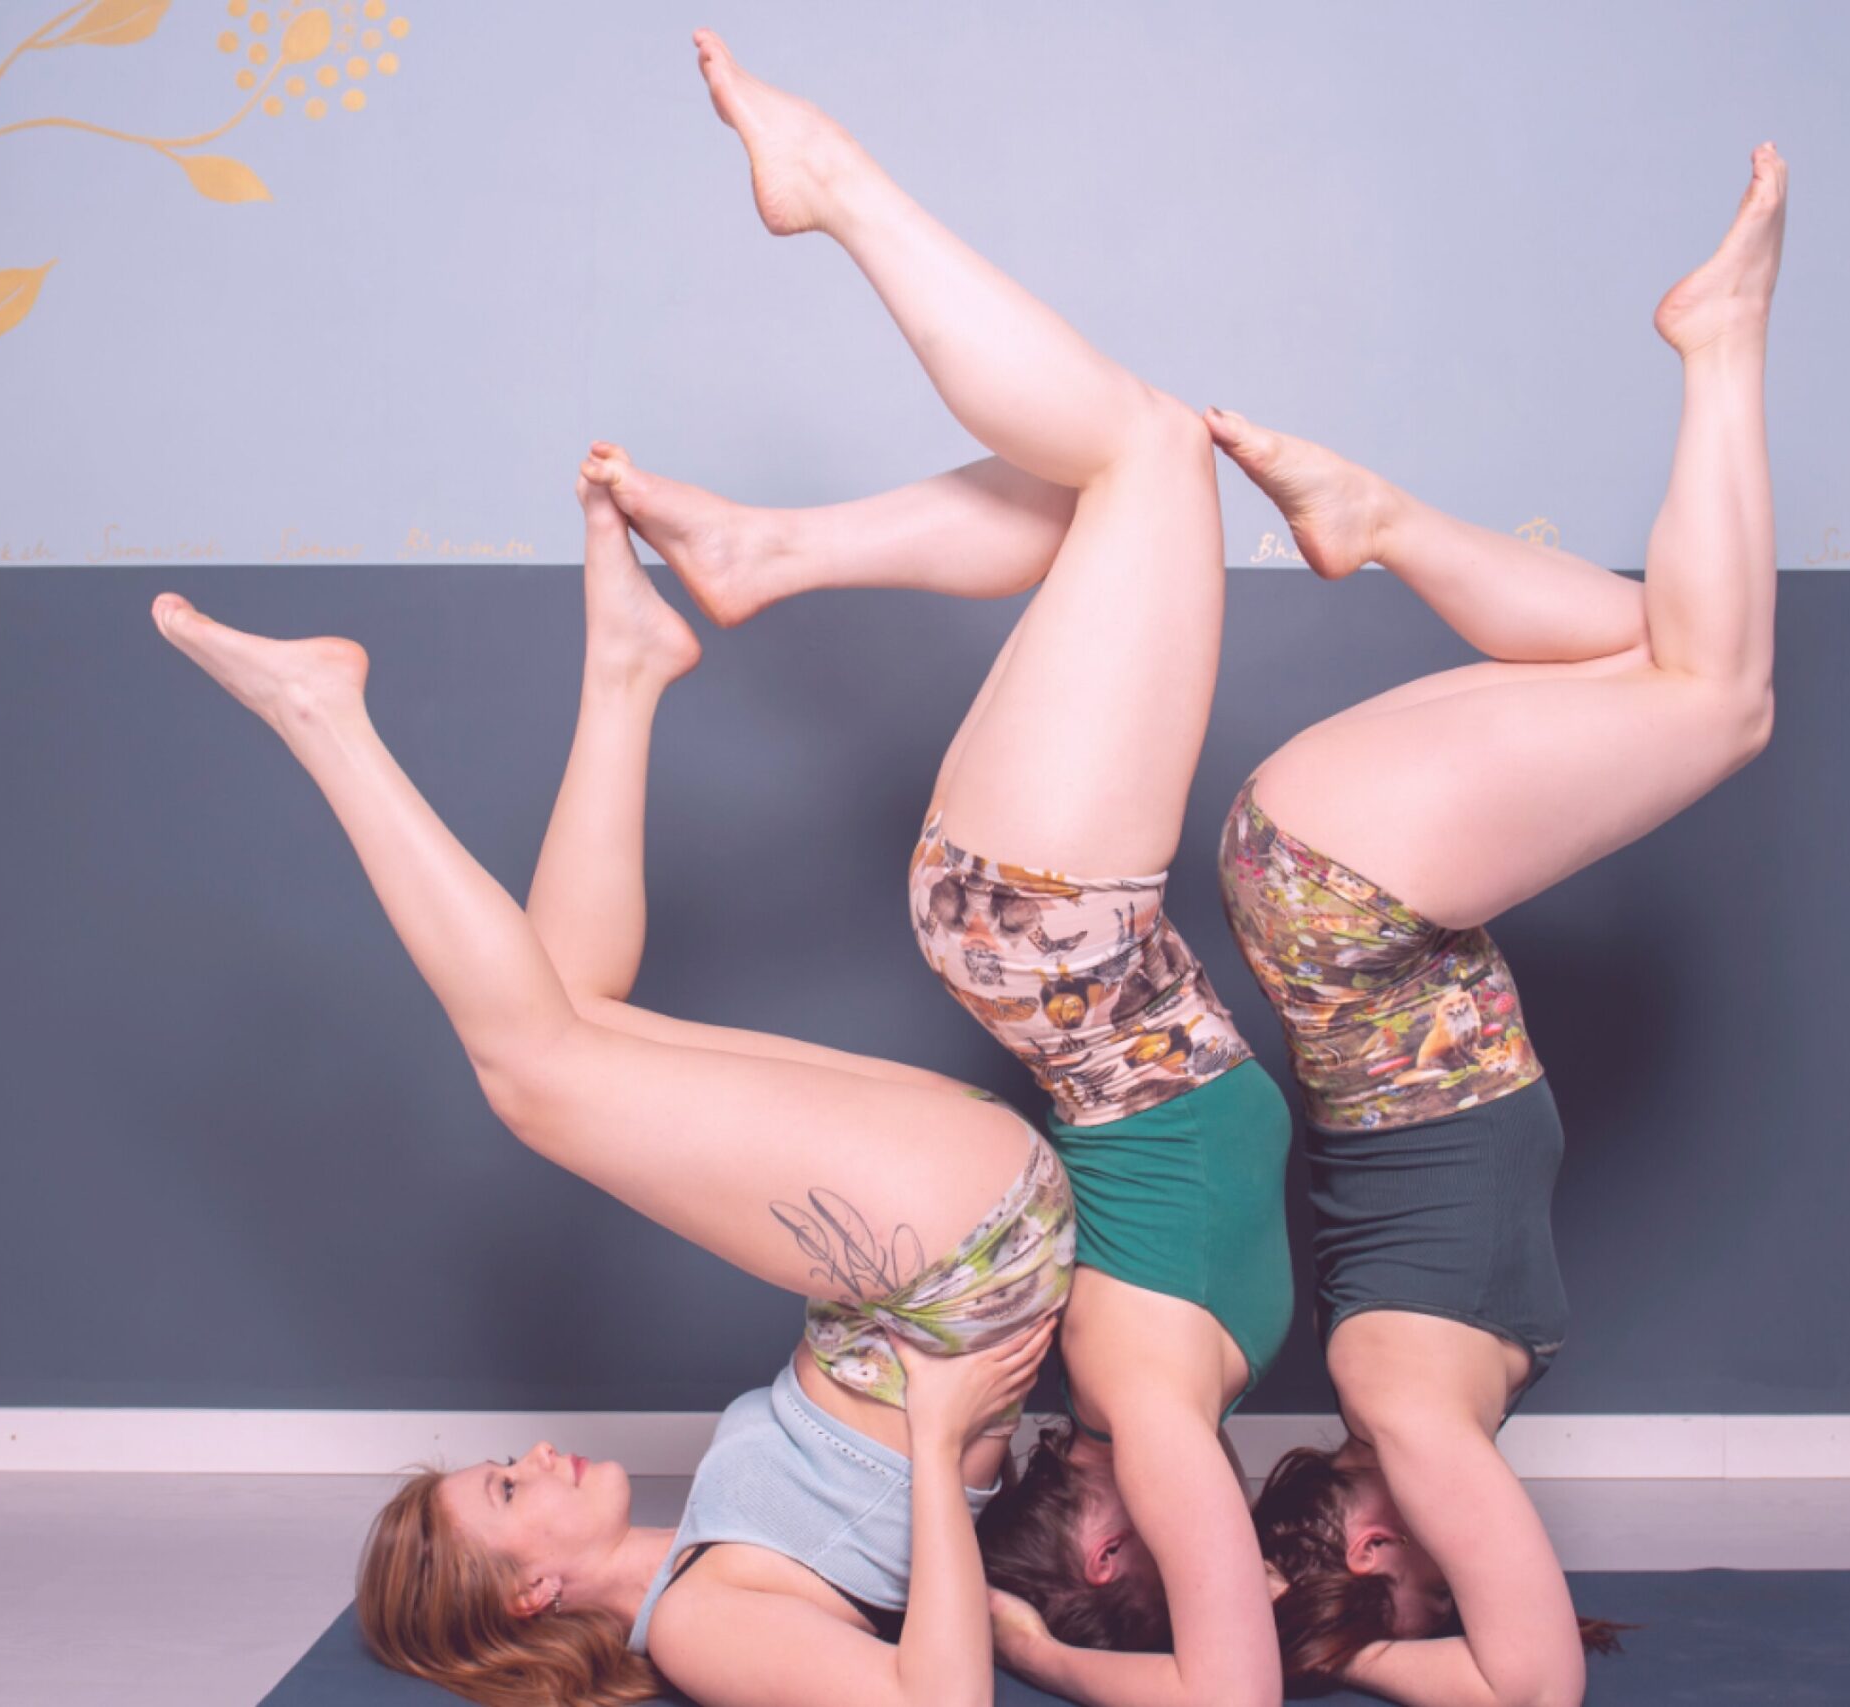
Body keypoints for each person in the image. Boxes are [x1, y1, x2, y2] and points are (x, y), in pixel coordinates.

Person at [588, 32, 1291, 1707]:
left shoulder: (1142, 1383)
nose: (1218, 1544)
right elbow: (1222, 1669)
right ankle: (774, 550)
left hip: (1050, 934)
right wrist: (1064, 1636)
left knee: (1142, 457)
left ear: (1114, 1546)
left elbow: (1237, 1687)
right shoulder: (1165, 1393)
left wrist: (1072, 1623)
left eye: (1186, 1555)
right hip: (1063, 936)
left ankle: (835, 197)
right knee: (1110, 479)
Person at [151, 462, 1072, 1707]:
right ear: (531, 1594)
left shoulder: (698, 1544)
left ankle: (626, 670)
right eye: (512, 1491)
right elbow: (938, 1704)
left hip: (936, 1247)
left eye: (505, 1468)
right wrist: (929, 1430)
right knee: (528, 1075)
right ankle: (322, 716)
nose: (533, 1455)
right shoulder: (695, 1627)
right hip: (957, 1269)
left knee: (567, 1006)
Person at [1214, 144, 1790, 1706]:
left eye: (1404, 1553)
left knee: (1725, 703)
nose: (1457, 1533)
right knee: (1665, 639)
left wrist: (1361, 1648)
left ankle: (1719, 342)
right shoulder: (1439, 1382)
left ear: (1378, 1554)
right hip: (1333, 888)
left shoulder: (1395, 1392)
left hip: (1344, 897)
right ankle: (1377, 516)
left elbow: (1533, 1691)